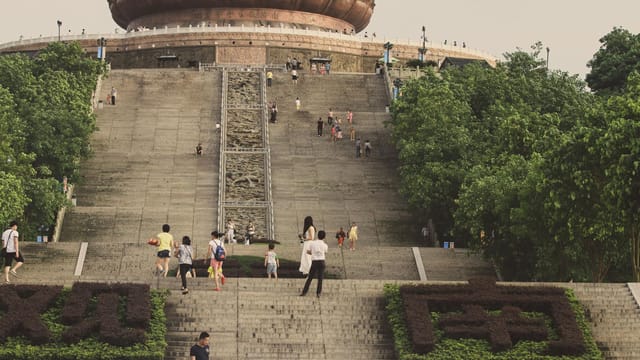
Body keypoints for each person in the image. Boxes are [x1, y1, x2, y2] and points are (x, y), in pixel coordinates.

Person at [300, 230, 328, 298]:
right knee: (320, 279)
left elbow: (309, 252)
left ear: (317, 235)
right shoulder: (325, 245)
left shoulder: (312, 243)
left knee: (310, 278)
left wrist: (314, 253)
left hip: (314, 261)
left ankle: (304, 292)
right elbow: (325, 252)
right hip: (321, 261)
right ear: (324, 237)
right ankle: (318, 293)